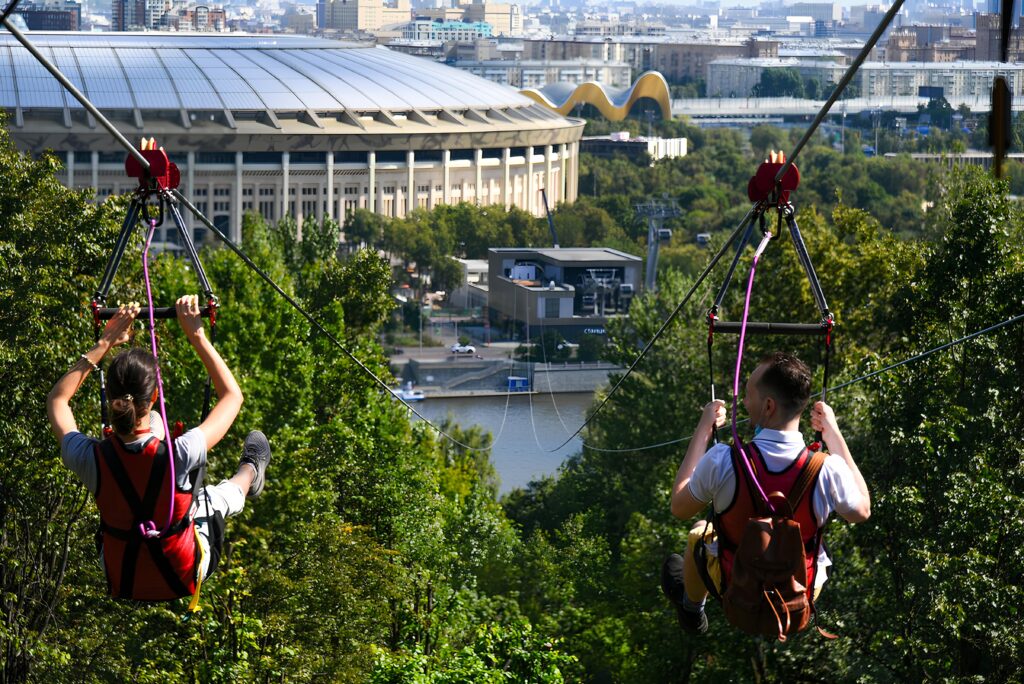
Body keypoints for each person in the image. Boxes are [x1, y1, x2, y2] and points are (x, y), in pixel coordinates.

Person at [46, 295, 271, 602]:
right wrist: (197, 334)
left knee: (155, 432)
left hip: (122, 573)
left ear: (111, 399)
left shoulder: (90, 458)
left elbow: (58, 400)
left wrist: (104, 343)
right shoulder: (181, 452)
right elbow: (232, 396)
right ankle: (250, 471)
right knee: (213, 499)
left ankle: (240, 471)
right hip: (184, 571)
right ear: (153, 397)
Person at [661, 351, 870, 635]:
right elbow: (862, 511)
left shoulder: (723, 461)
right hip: (798, 592)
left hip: (737, 585)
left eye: (748, 394)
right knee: (814, 538)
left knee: (699, 531)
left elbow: (679, 507)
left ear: (768, 406)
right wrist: (834, 435)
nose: (744, 403)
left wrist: (703, 432)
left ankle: (692, 609)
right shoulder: (828, 469)